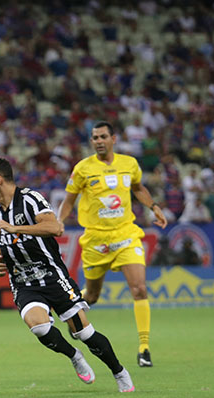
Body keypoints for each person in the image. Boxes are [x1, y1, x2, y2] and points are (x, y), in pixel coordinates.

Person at [0, 158, 135, 392]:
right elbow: (1, 239)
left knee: (84, 332)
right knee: (39, 327)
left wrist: (16, 228)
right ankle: (74, 356)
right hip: (23, 281)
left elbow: (55, 228)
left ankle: (119, 371)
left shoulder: (30, 200)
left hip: (52, 276)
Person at [58, 121, 167, 368]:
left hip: (126, 235)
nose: (98, 141)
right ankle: (70, 311)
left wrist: (154, 207)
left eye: (103, 136)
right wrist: (58, 222)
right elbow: (68, 201)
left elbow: (138, 188)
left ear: (113, 139)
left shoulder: (129, 164)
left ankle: (144, 349)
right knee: (93, 295)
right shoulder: (83, 168)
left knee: (139, 289)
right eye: (94, 137)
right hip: (96, 240)